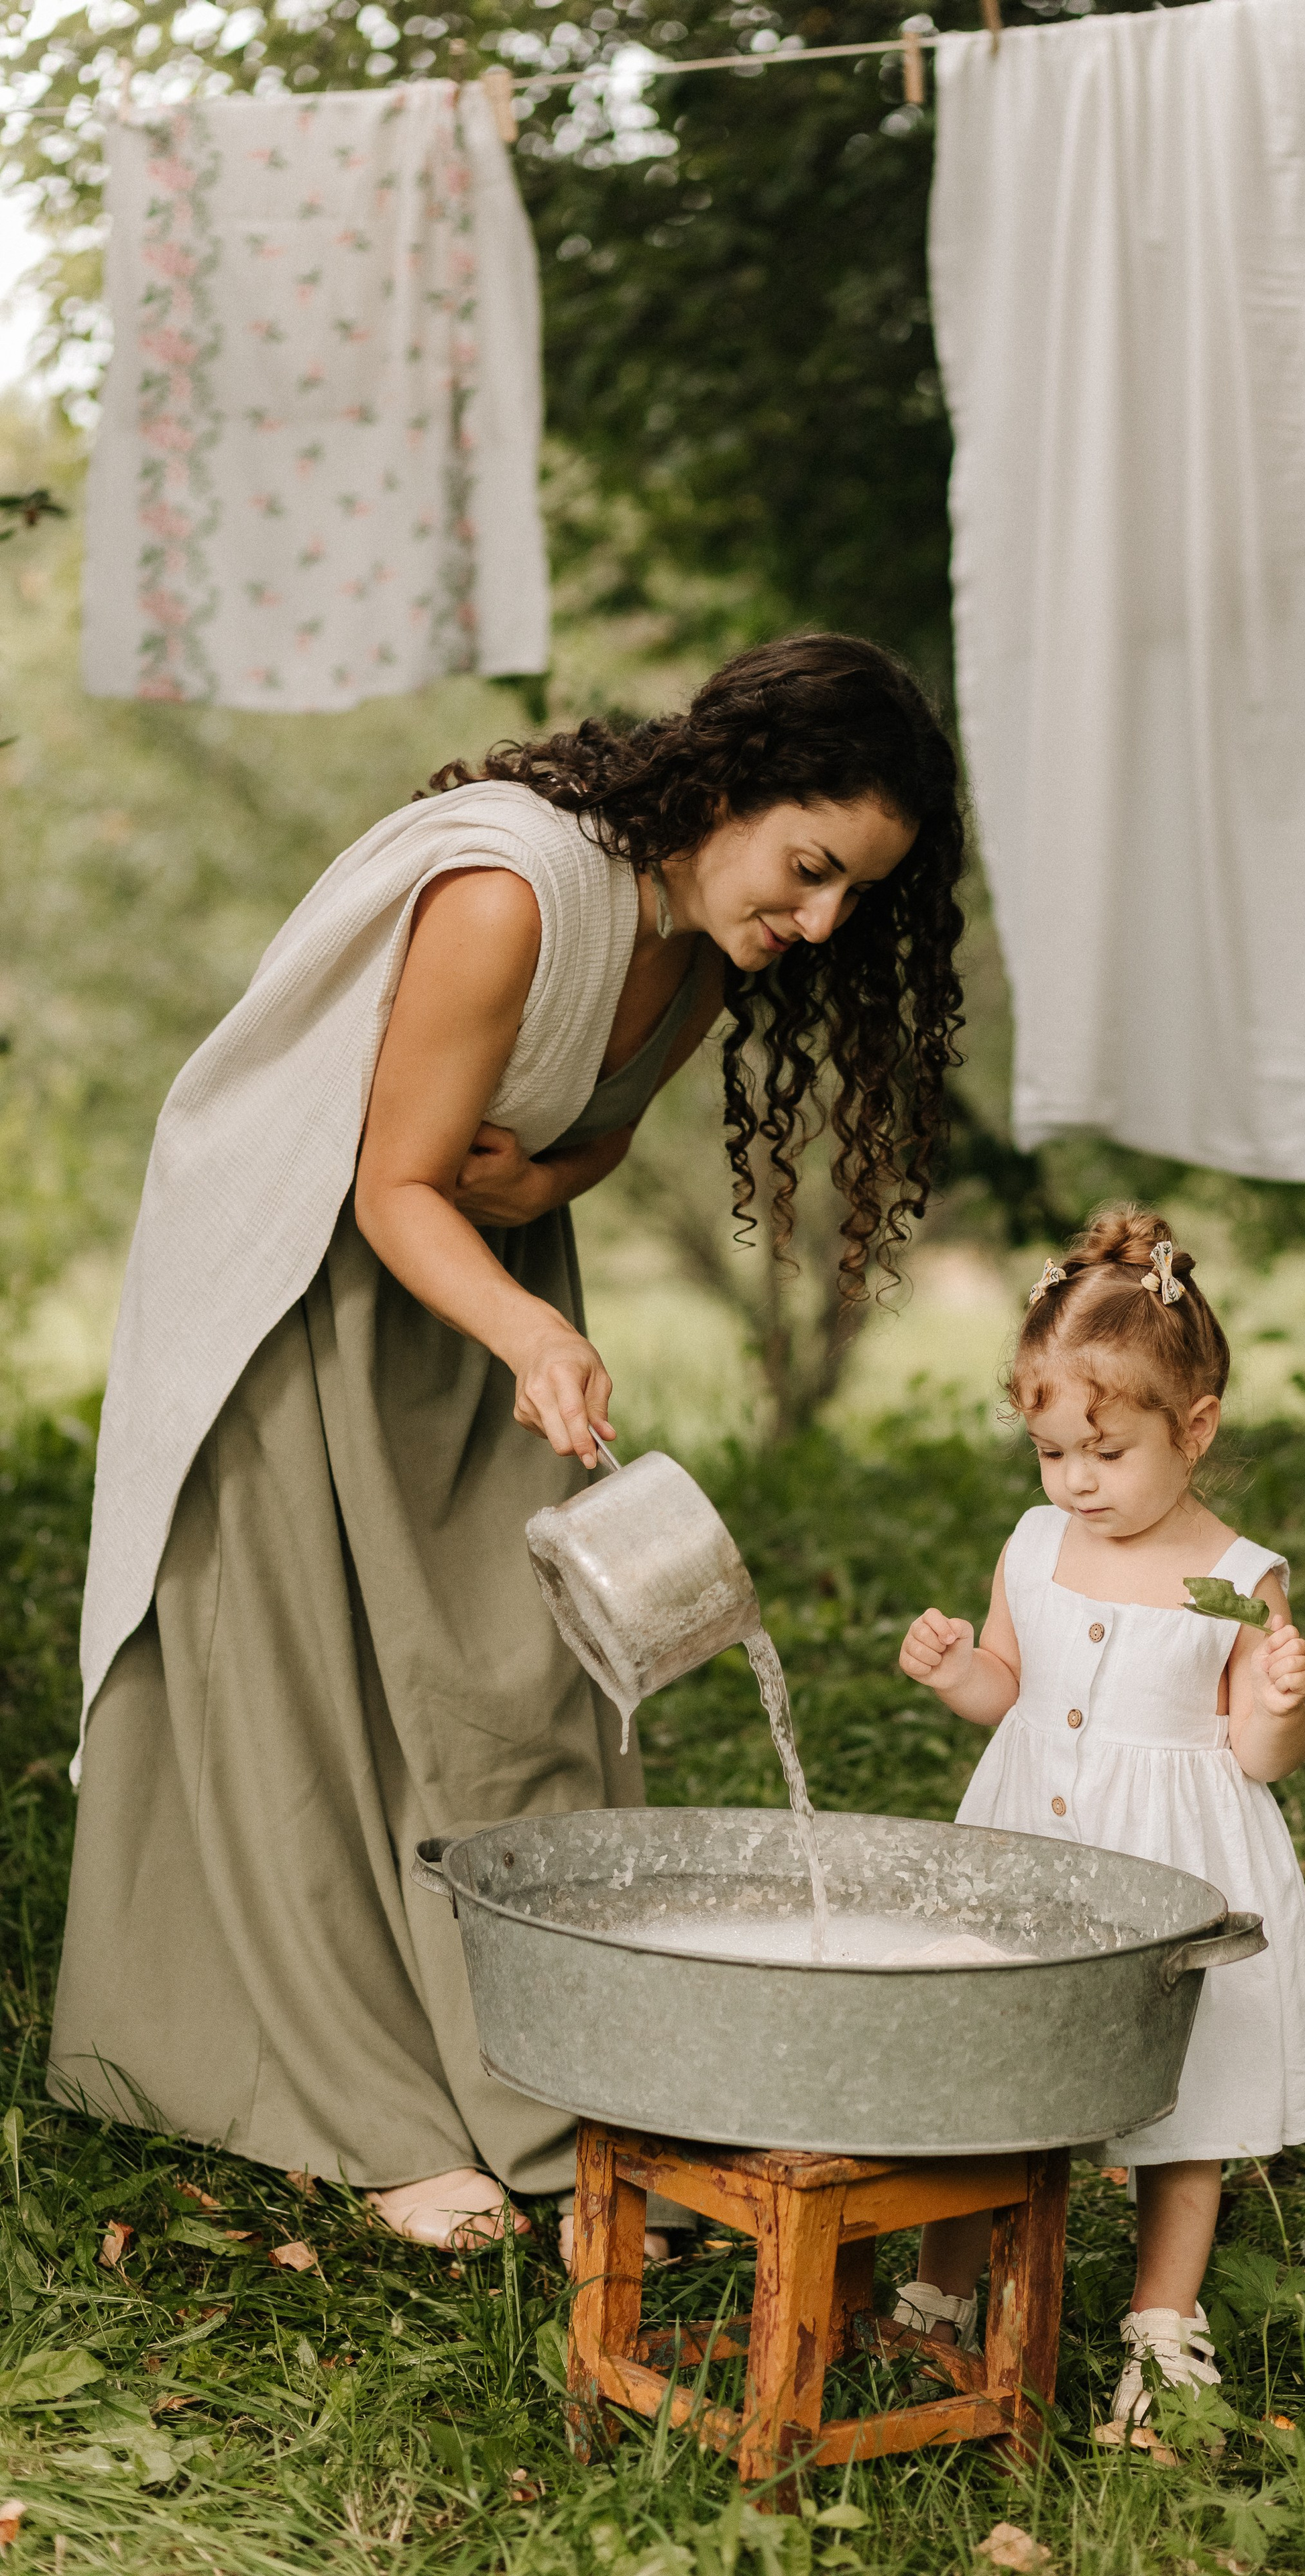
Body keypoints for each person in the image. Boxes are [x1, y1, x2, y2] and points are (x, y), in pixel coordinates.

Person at [51, 634, 964, 2259]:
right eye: (811, 868)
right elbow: (394, 1184)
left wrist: (549, 1194)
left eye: (853, 901)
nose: (821, 923)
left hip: (480, 1278)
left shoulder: (698, 953)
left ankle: (548, 2087)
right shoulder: (511, 902)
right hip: (311, 1278)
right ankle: (369, 2113)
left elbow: (584, 1130)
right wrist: (536, 1325)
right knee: (310, 1689)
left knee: (511, 1674)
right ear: (729, 783)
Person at [894, 1207, 1305, 2441]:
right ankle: (945, 2287)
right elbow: (1008, 1690)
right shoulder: (1036, 1546)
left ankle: (1161, 2326)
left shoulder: (1240, 1578)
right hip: (1034, 1845)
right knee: (993, 2063)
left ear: (1194, 1429)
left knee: (1185, 2105)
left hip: (1176, 1867)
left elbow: (1257, 1754)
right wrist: (954, 1669)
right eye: (1051, 1454)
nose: (1076, 1482)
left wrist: (1286, 1703)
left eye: (1106, 1453)